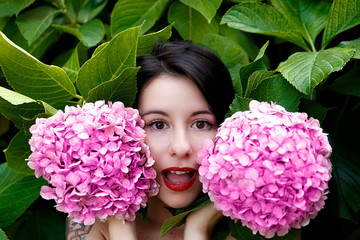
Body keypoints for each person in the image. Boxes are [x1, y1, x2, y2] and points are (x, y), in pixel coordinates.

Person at [66, 41, 235, 240]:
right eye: (158, 124)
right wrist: (121, 225)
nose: (181, 147)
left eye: (201, 124)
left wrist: (198, 230)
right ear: (124, 133)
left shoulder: (253, 225)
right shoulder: (90, 221)